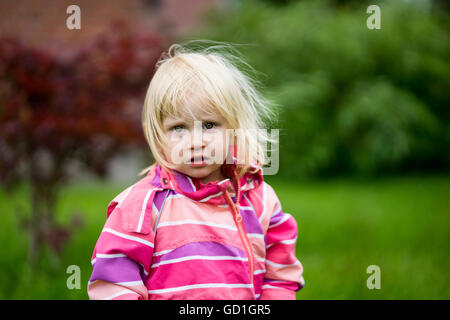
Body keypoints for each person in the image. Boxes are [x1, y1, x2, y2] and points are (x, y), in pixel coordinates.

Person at [88, 41, 305, 300]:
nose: (196, 141)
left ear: (234, 128)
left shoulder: (260, 199)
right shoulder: (143, 206)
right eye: (179, 127)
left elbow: (281, 276)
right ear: (158, 136)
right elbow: (114, 284)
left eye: (210, 125)